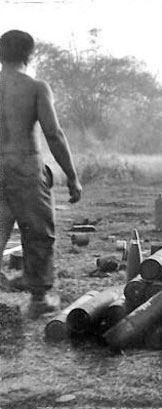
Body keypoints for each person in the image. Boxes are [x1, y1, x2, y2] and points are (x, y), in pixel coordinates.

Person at [0, 30, 82, 318]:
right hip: (25, 165)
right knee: (38, 232)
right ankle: (38, 299)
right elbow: (54, 134)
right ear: (29, 54)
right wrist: (72, 176)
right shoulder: (35, 87)